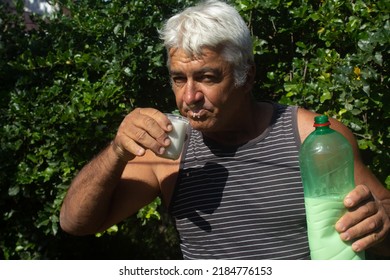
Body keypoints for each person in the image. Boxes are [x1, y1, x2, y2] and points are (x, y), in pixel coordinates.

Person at [60, 0, 390, 259]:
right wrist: (117, 151)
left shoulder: (311, 136)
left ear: (247, 75)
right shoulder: (168, 151)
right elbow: (76, 223)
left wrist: (381, 225)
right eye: (179, 79)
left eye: (207, 77)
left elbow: (383, 220)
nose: (189, 97)